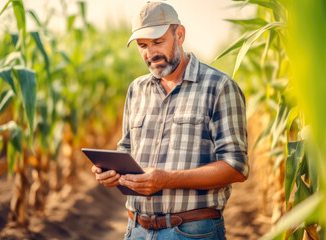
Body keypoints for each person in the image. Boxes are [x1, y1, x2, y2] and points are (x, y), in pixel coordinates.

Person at [92, 2, 249, 239]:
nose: (150, 53)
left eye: (157, 42)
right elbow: (126, 149)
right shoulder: (137, 89)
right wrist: (110, 172)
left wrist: (167, 179)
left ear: (180, 35)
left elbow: (236, 167)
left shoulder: (219, 87)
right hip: (135, 230)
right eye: (142, 45)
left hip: (192, 231)